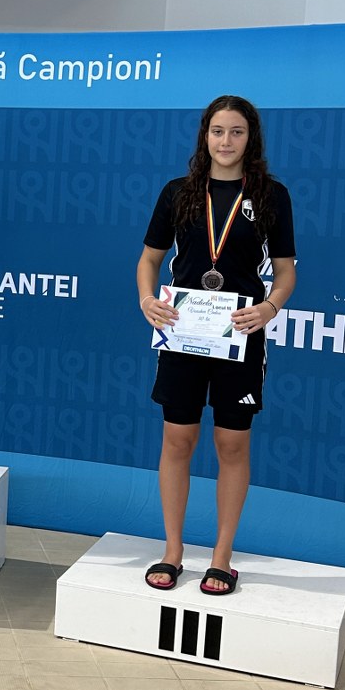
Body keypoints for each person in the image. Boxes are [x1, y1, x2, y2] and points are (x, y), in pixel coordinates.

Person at [136, 95, 295, 595]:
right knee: (177, 440)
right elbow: (149, 260)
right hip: (183, 332)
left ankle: (222, 557)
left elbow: (286, 272)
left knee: (231, 443)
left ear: (252, 139)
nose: (226, 141)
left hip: (240, 335)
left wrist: (269, 308)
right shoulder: (179, 192)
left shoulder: (271, 195)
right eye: (218, 131)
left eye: (237, 132)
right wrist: (147, 299)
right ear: (205, 135)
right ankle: (172, 551)